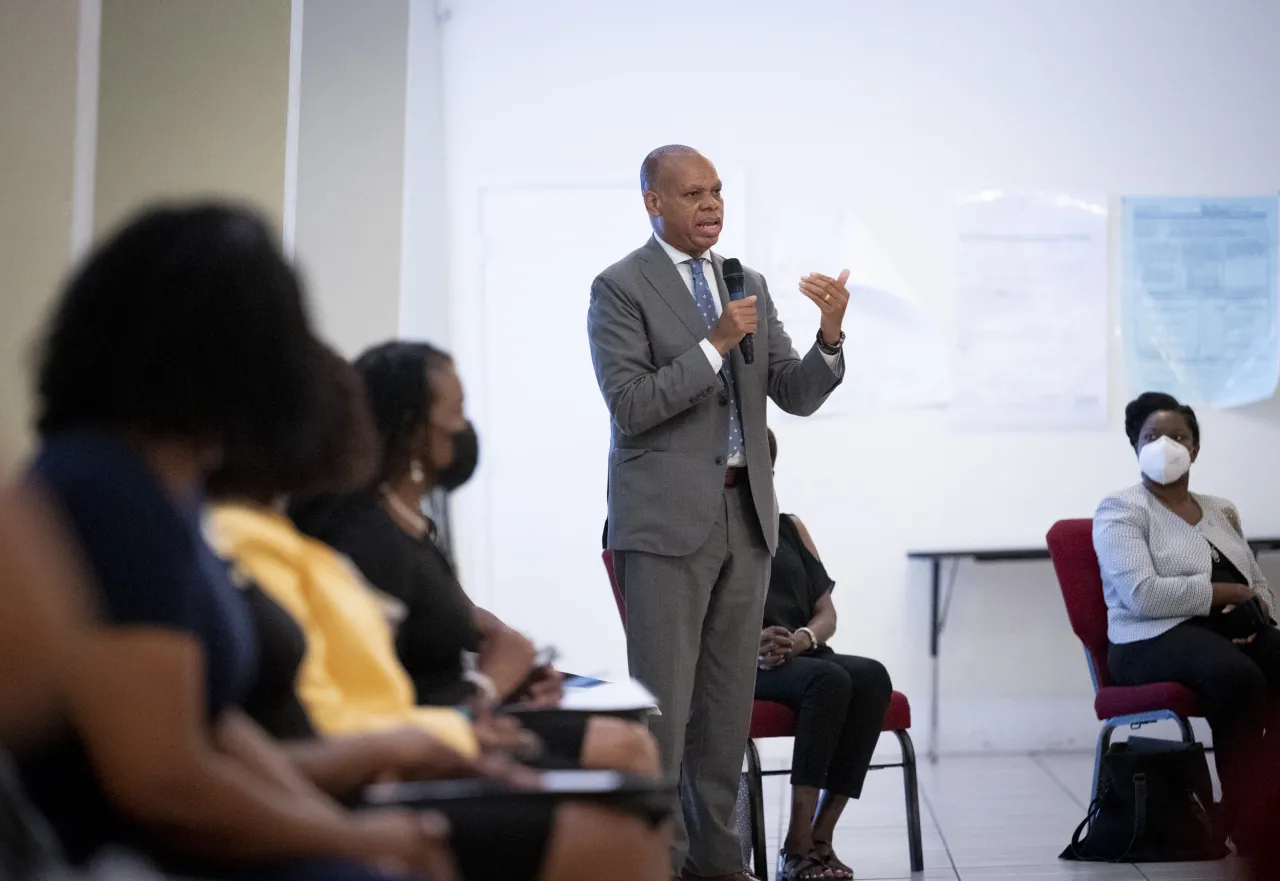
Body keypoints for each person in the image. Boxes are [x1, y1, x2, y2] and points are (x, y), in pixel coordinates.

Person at [17, 204, 453, 881]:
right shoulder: (108, 487)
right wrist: (355, 839)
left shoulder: (168, 487)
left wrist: (349, 832)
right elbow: (165, 784)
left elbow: (214, 728)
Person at [208, 345, 671, 881]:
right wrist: (465, 722)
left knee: (627, 765)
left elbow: (380, 689)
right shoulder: (318, 540)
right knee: (618, 824)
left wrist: (471, 714)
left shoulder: (315, 547)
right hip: (396, 756)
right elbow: (338, 715)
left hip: (416, 739)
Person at [585, 144, 848, 880]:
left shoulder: (745, 282)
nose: (711, 206)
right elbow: (632, 406)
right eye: (693, 193)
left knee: (725, 715)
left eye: (718, 192)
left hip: (747, 516)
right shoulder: (620, 287)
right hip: (665, 524)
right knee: (665, 714)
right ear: (653, 202)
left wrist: (830, 337)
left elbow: (791, 391)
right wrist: (714, 345)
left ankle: (720, 866)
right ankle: (658, 866)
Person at [291, 341, 660, 779]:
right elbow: (374, 694)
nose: (464, 426)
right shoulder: (366, 538)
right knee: (626, 748)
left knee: (629, 729)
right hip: (432, 738)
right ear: (413, 428)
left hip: (465, 716)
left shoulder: (410, 523)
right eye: (457, 409)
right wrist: (489, 687)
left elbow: (456, 620)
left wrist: (515, 667)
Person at [1094, 391, 1280, 851]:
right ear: (1135, 446)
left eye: (1178, 436)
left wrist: (1259, 617)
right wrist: (1223, 594)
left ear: (1195, 448)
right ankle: (1243, 816)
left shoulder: (1221, 510)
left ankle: (1269, 801)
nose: (1166, 445)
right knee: (1236, 677)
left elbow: (1257, 582)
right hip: (1147, 641)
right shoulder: (1121, 510)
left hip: (1223, 634)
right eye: (1152, 437)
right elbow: (1141, 595)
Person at [753, 430, 891, 881]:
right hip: (741, 666)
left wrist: (802, 640)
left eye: (767, 467)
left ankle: (821, 835)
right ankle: (795, 846)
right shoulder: (706, 529)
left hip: (801, 654)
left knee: (870, 676)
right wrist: (752, 644)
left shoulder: (790, 526)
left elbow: (826, 611)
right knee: (829, 681)